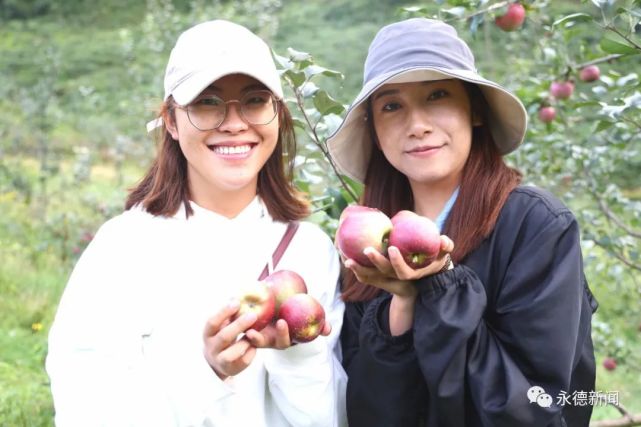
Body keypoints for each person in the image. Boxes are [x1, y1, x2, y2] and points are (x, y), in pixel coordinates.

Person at [47, 20, 347, 427]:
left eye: (255, 100)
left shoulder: (310, 250)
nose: (234, 123)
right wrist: (207, 373)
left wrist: (298, 351)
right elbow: (85, 411)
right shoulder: (123, 248)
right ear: (171, 120)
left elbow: (330, 420)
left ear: (278, 114)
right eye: (207, 102)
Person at [327, 18, 597, 427]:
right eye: (391, 105)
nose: (417, 125)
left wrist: (437, 290)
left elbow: (539, 411)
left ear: (474, 110)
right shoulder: (367, 253)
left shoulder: (535, 227)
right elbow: (368, 413)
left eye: (437, 95)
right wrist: (401, 307)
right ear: (376, 131)